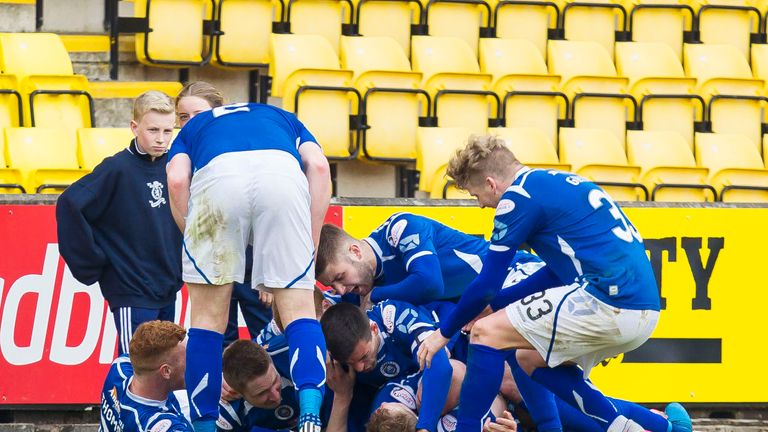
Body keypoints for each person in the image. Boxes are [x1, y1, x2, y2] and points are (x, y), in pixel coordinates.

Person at [416, 136, 691, 432]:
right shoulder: (558, 180)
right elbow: (556, 274)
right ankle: (639, 428)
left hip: (608, 300)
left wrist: (443, 333)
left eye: (476, 195)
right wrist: (494, 306)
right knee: (528, 358)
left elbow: (486, 284)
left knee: (486, 333)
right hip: (642, 307)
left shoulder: (516, 198)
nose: (482, 205)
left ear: (491, 184)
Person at [166, 101, 331, 432]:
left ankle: (204, 426)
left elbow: (176, 181)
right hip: (281, 179)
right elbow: (319, 167)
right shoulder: (284, 117)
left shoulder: (193, 129)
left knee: (207, 324)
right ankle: (311, 411)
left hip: (217, 183)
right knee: (299, 313)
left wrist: (194, 237)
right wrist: (310, 243)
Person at [57, 90, 182, 355]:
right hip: (131, 287)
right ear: (134, 127)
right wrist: (94, 263)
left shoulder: (174, 165)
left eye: (167, 131)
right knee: (136, 364)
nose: (161, 139)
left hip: (167, 286)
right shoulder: (116, 168)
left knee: (163, 365)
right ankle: (118, 399)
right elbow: (69, 204)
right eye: (153, 130)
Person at [175, 81, 273, 346]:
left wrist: (269, 271)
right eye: (184, 117)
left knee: (270, 342)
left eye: (199, 115)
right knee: (217, 341)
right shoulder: (181, 159)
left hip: (253, 269)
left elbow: (265, 210)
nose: (191, 122)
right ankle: (220, 389)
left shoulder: (242, 151)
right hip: (214, 265)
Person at [315, 215, 545, 305]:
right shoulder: (361, 283)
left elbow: (430, 283)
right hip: (490, 300)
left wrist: (376, 295)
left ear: (355, 251)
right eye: (333, 285)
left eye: (340, 278)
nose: (341, 290)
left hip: (518, 273)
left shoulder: (399, 228)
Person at [321, 301, 453, 432]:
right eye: (350, 363)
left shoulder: (394, 318)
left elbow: (439, 365)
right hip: (398, 387)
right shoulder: (335, 363)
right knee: (383, 420)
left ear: (374, 329)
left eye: (364, 357)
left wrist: (425, 427)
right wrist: (342, 395)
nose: (360, 368)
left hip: (452, 350)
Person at [217, 339, 335, 432]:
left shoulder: (297, 355)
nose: (276, 396)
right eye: (262, 393)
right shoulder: (226, 413)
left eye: (275, 381)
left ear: (271, 361)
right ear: (237, 393)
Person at [100, 320, 191, 432]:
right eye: (189, 359)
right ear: (166, 371)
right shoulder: (155, 424)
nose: (196, 365)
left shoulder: (119, 367)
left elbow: (139, 353)